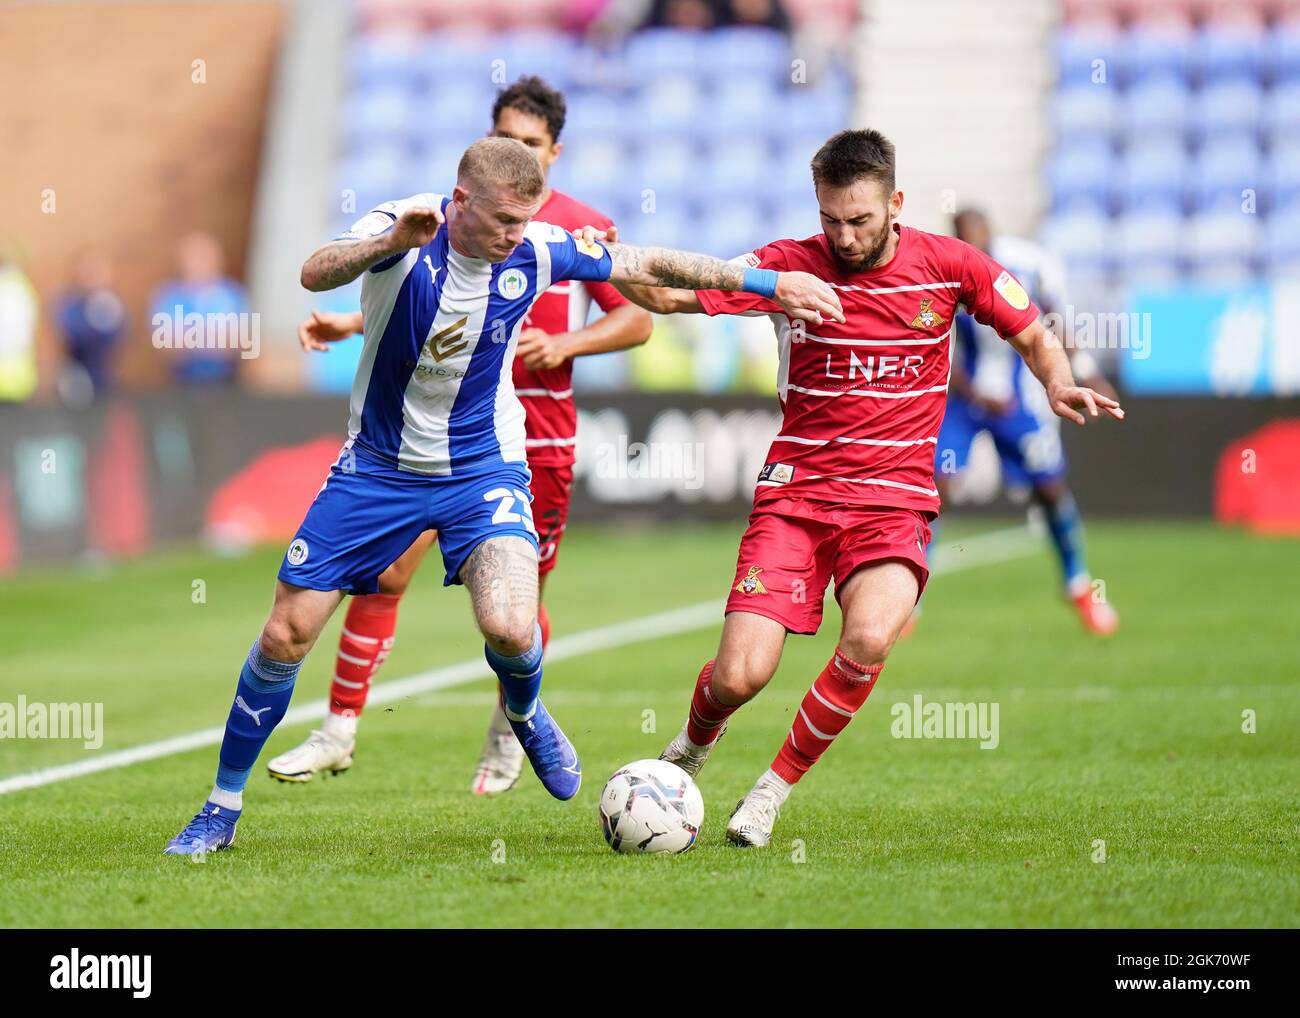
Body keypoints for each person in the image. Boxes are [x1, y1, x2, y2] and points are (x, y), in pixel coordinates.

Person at [163, 135, 842, 854]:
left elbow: (650, 262)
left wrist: (770, 285)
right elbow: (312, 271)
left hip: (482, 469)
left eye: (525, 221)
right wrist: (389, 241)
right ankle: (220, 807)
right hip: (375, 472)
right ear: (459, 203)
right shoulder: (405, 229)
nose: (516, 236)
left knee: (513, 627)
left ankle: (525, 713)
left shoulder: (537, 250)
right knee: (284, 635)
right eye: (502, 223)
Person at [612, 129, 1122, 847]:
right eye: (830, 219)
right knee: (739, 676)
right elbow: (665, 297)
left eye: (859, 219)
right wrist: (612, 258)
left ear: (896, 204)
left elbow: (1033, 331)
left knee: (871, 636)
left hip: (894, 502)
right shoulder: (787, 268)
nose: (844, 237)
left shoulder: (950, 265)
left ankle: (770, 790)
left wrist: (1060, 380)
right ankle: (692, 748)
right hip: (796, 496)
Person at [269, 76, 654, 795]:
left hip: (535, 433)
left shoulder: (571, 226)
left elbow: (638, 317)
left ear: (555, 152)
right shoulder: (469, 218)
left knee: (518, 599)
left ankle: (511, 730)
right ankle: (339, 728)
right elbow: (425, 308)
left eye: (532, 144)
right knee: (387, 571)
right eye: (507, 137)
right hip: (436, 432)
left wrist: (570, 346)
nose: (520, 152)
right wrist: (355, 323)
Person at [929, 208, 1119, 635]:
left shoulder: (1022, 269)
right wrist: (976, 393)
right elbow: (935, 349)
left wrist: (1086, 371)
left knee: (1049, 489)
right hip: (963, 398)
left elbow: (1050, 324)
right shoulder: (943, 274)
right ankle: (909, 597)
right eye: (964, 238)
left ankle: (1078, 584)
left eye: (978, 238)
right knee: (936, 484)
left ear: (990, 235)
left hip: (1019, 400)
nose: (972, 245)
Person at [150, 231, 248, 386]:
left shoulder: (233, 295)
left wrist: (191, 336)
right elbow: (167, 345)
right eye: (193, 258)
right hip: (179, 382)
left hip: (226, 382)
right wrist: (213, 337)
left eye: (204, 258)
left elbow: (241, 342)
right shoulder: (169, 296)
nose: (198, 264)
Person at [55, 249, 126, 402]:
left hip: (106, 380)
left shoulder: (110, 303)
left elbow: (120, 337)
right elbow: (73, 337)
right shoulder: (69, 304)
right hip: (76, 382)